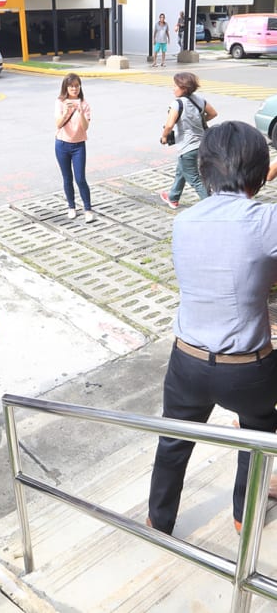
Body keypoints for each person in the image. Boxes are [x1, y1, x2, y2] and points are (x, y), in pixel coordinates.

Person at [147, 121, 277, 536]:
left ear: (203, 169)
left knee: (173, 441)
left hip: (186, 361)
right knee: (258, 439)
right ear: (259, 172)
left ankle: (158, 520)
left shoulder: (185, 221)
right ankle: (245, 516)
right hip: (247, 370)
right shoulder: (266, 220)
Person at [159, 72, 218, 209]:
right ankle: (173, 198)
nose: (173, 88)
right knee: (181, 170)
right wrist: (198, 121)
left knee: (195, 179)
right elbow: (213, 113)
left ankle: (212, 206)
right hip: (202, 144)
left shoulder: (177, 103)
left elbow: (169, 125)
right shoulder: (200, 100)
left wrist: (164, 137)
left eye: (175, 86)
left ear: (184, 88)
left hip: (188, 147)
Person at [54, 73, 94, 223]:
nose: (74, 88)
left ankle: (88, 209)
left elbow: (85, 127)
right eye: (71, 86)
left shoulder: (85, 104)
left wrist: (80, 111)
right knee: (67, 178)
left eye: (77, 85)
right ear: (66, 87)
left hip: (78, 145)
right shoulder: (60, 102)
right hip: (61, 144)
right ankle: (71, 206)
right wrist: (66, 112)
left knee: (80, 178)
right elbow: (58, 124)